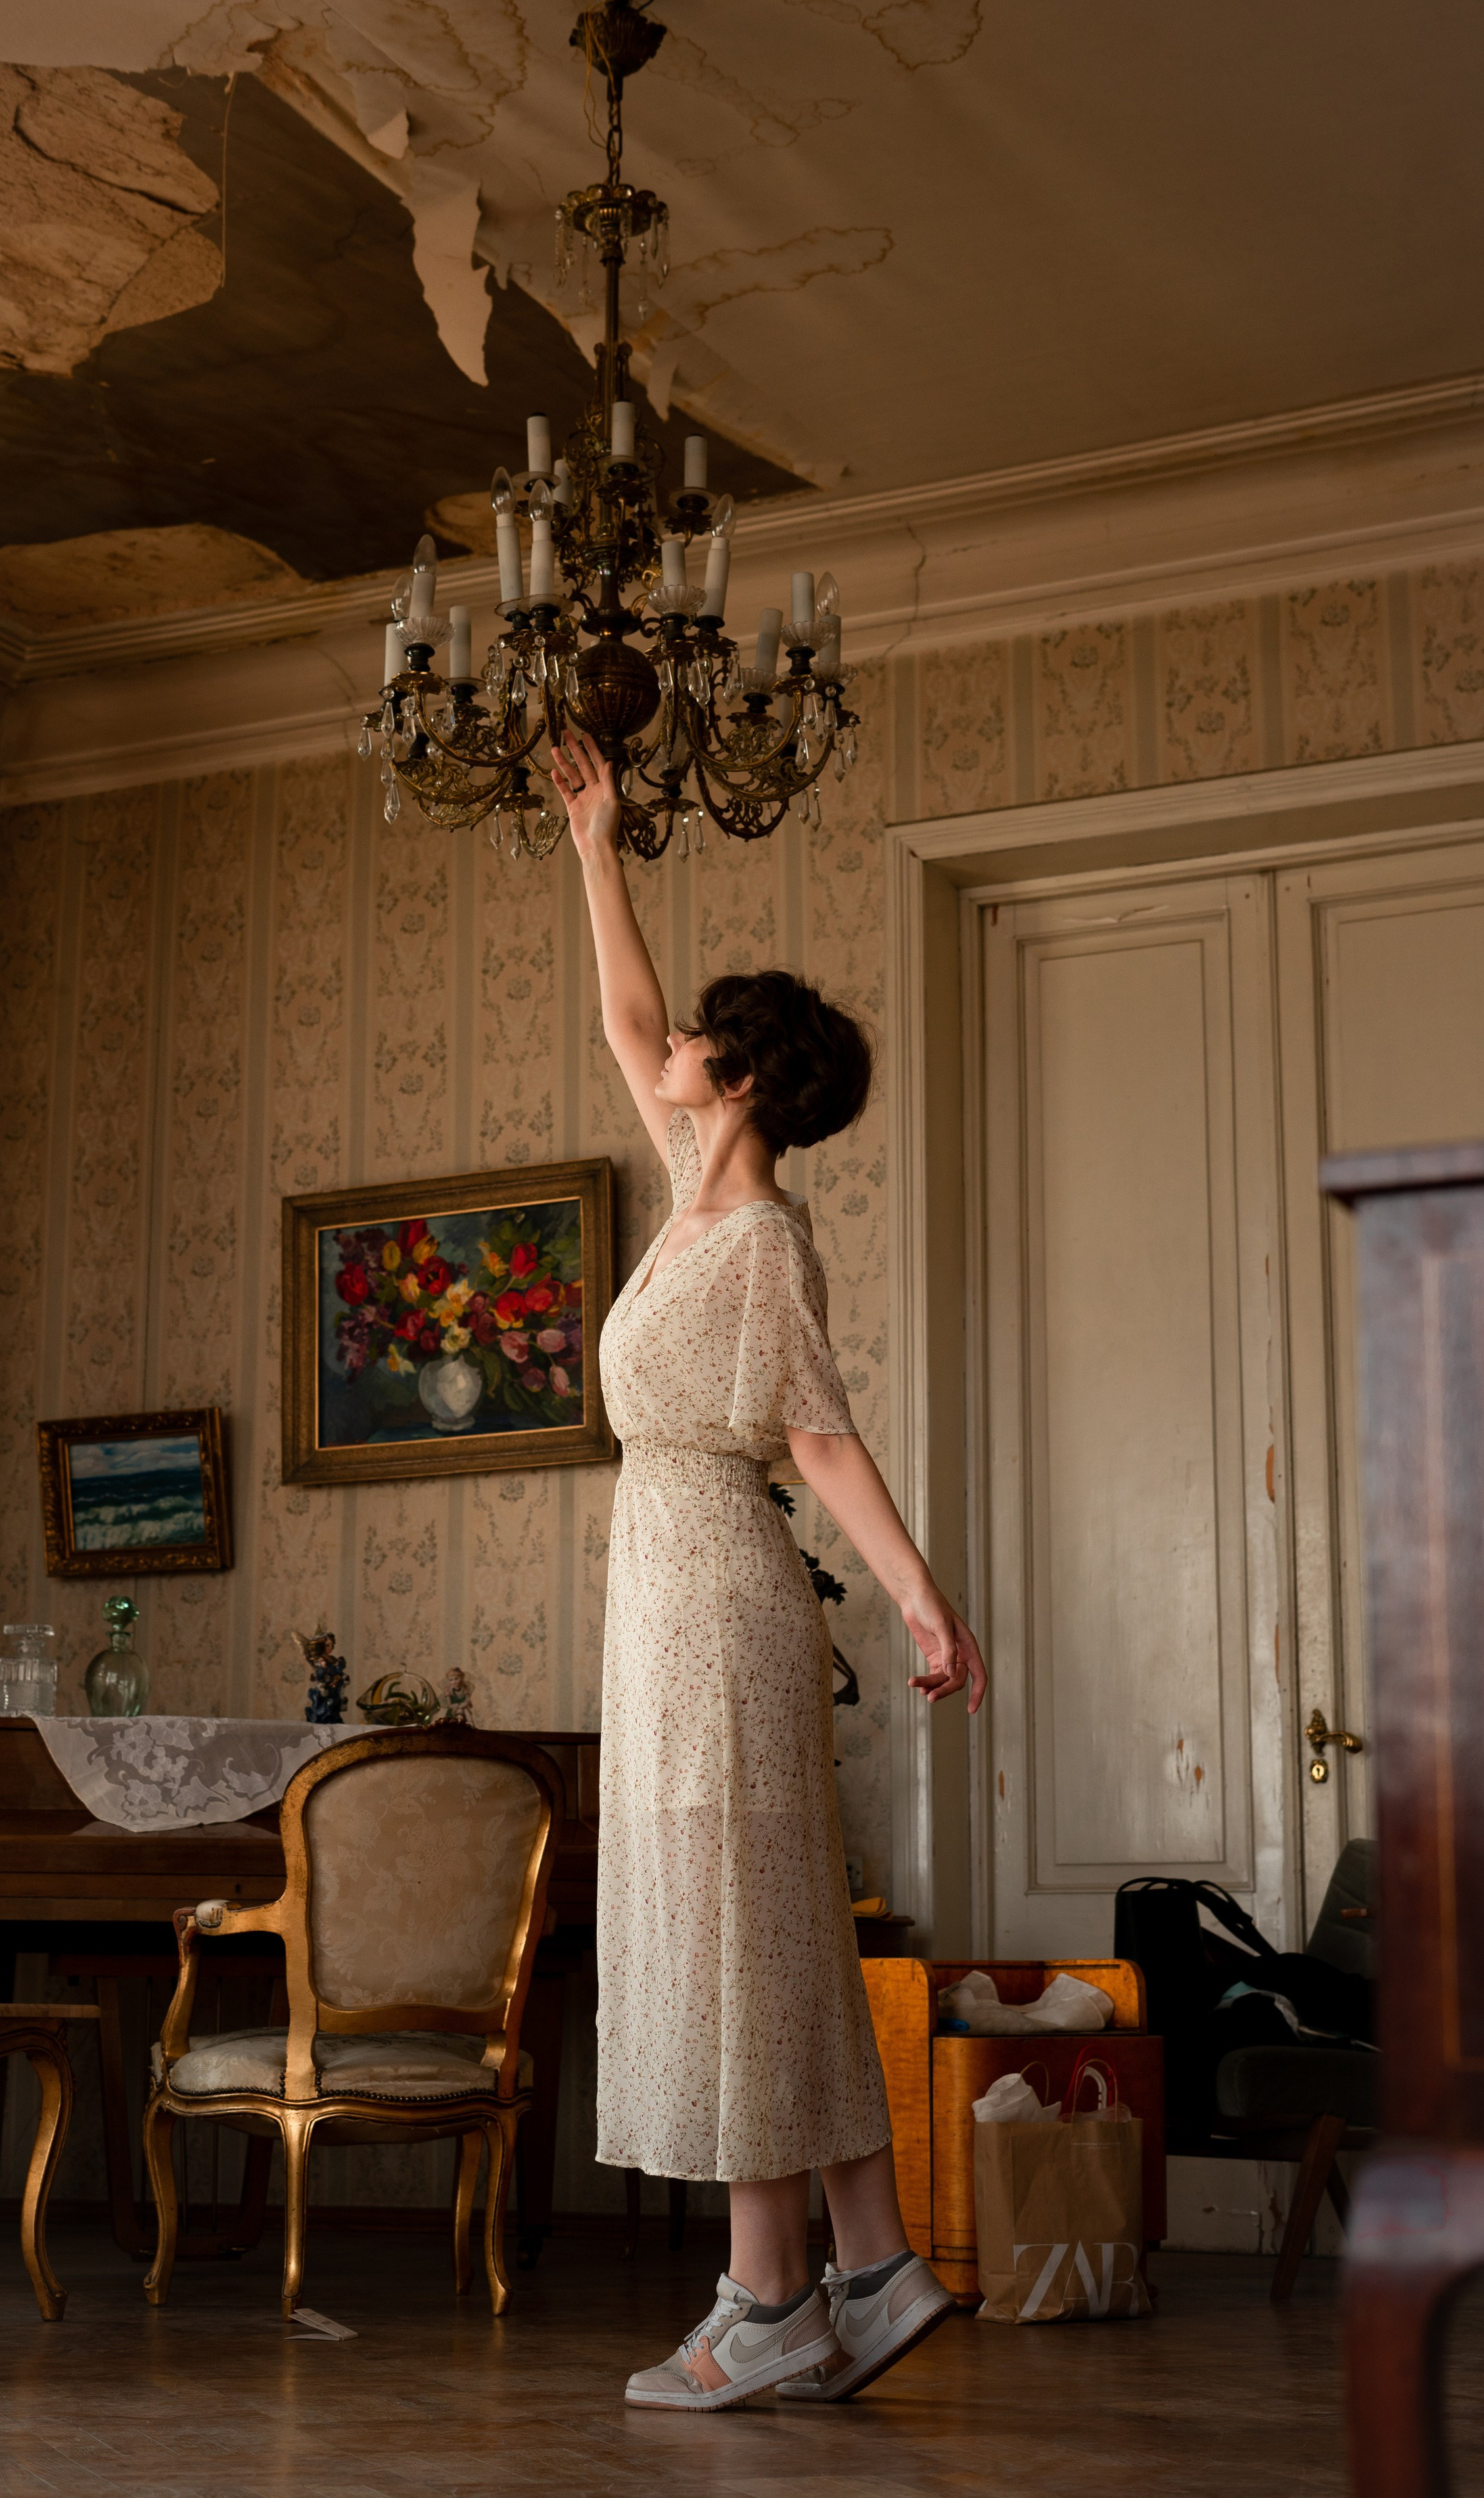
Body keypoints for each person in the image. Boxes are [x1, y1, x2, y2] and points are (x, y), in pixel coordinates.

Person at [552, 730, 988, 2413]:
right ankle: (864, 2266)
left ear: (738, 1079)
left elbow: (818, 1439)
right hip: (673, 1588)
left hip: (717, 1594)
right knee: (763, 1924)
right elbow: (619, 1016)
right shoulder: (692, 1197)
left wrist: (921, 1600)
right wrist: (598, 846)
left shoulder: (759, 1246)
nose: (664, 1044)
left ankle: (769, 2301)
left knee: (736, 1927)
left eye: (696, 1039)